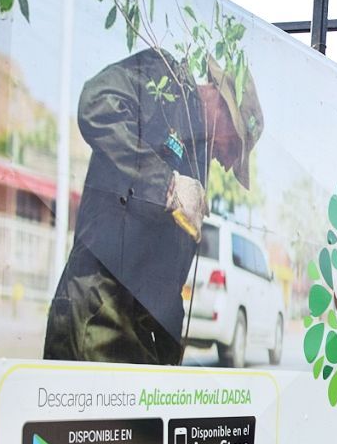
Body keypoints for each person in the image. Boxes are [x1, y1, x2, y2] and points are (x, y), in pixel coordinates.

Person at [44, 49, 263, 364]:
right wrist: (166, 184)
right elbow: (96, 104)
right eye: (234, 147)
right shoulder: (166, 82)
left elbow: (169, 276)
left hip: (138, 335)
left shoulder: (198, 159)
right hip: (97, 311)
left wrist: (170, 351)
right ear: (222, 106)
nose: (228, 163)